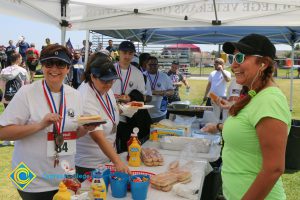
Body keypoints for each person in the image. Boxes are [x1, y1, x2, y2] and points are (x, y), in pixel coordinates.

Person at [0, 44, 96, 200]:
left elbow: (71, 134)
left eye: (60, 64)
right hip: (30, 177)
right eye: (48, 63)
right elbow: (2, 133)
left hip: (63, 176)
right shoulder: (27, 92)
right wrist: (40, 125)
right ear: (42, 65)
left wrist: (86, 129)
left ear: (68, 68)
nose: (54, 69)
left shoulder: (75, 95)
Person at [204, 34, 291, 200]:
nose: (233, 64)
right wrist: (218, 127)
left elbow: (274, 168)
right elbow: (247, 129)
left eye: (240, 57)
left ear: (263, 64)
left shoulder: (270, 100)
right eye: (232, 57)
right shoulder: (254, 94)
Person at [75, 52, 130, 181]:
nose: (109, 84)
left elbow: (109, 112)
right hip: (88, 164)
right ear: (92, 77)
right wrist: (117, 161)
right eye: (105, 81)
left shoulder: (105, 88)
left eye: (111, 80)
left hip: (106, 159)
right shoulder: (85, 96)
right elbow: (97, 136)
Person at [112, 41, 151, 153]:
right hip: (111, 114)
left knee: (125, 149)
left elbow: (143, 96)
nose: (127, 56)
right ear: (119, 52)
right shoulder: (110, 69)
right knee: (110, 147)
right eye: (124, 52)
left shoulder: (137, 73)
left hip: (129, 118)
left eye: (130, 53)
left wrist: (130, 98)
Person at [145, 56, 174, 122]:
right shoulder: (141, 76)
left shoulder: (164, 76)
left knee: (160, 132)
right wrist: (151, 92)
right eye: (150, 64)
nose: (153, 66)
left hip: (161, 113)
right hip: (145, 113)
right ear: (146, 65)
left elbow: (172, 91)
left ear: (158, 65)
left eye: (155, 64)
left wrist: (163, 93)